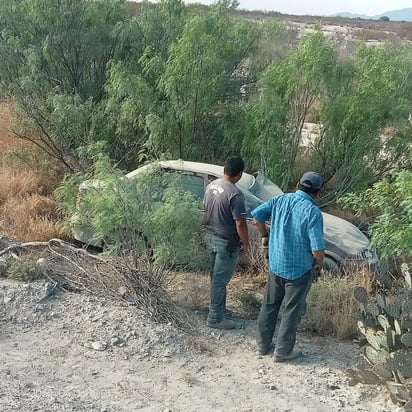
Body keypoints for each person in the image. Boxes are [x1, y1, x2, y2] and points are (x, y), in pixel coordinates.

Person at [251, 171, 325, 361]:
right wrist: (318, 264)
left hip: (276, 265)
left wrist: (264, 235)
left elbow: (257, 217)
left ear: (298, 183)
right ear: (317, 192)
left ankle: (262, 345)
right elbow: (317, 249)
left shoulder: (279, 200)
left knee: (269, 305)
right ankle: (283, 351)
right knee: (292, 310)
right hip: (299, 271)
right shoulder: (313, 212)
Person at [203, 156, 249, 330]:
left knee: (215, 277)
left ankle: (219, 309)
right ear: (239, 174)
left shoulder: (211, 186)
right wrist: (246, 243)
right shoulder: (235, 195)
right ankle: (215, 318)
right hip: (226, 242)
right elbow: (240, 223)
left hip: (210, 235)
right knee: (220, 281)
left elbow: (205, 208)